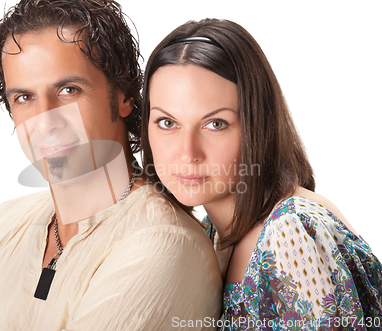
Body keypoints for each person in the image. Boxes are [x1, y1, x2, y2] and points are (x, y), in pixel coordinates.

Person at [0, 0, 223, 330]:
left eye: (67, 90)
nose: (45, 121)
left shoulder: (163, 245)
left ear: (123, 95)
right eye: (24, 97)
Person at [141, 18, 382, 329]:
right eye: (167, 122)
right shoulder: (212, 234)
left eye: (215, 124)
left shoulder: (290, 232)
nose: (188, 153)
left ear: (257, 124)